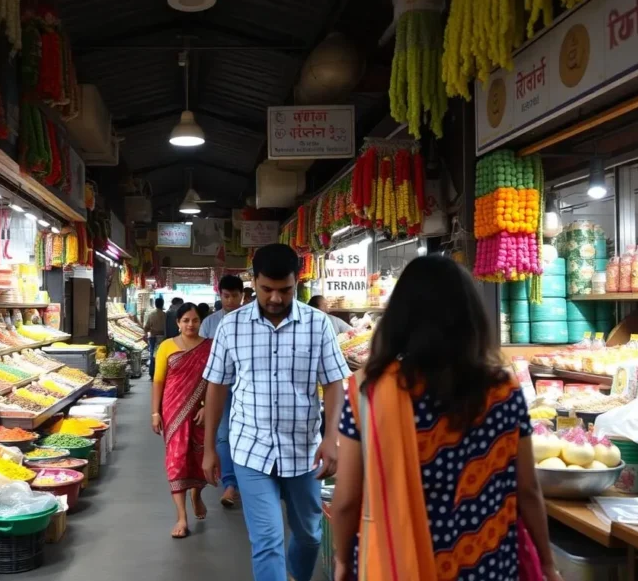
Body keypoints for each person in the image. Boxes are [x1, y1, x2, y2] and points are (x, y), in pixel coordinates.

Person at [329, 256, 562, 581]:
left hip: (397, 563)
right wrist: (547, 563)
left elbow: (347, 500)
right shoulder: (503, 390)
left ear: (400, 319)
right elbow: (527, 490)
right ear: (471, 318)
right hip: (487, 564)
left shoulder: (370, 394)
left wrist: (342, 559)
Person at [202, 244, 350, 581]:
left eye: (285, 290)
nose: (275, 298)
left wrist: (332, 439)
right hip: (250, 450)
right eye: (267, 289)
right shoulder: (231, 327)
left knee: (310, 535)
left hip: (303, 451)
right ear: (253, 282)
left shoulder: (318, 325)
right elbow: (216, 387)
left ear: (296, 282)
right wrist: (210, 447)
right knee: (267, 540)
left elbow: (334, 383)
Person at [151, 303, 212, 539]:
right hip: (172, 410)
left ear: (200, 322)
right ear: (177, 322)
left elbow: (214, 382)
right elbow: (158, 381)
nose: (190, 325)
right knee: (176, 459)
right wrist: (154, 412)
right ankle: (181, 516)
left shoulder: (209, 347)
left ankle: (197, 496)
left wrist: (207, 408)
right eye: (185, 320)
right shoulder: (166, 346)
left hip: (200, 412)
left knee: (197, 457)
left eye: (195, 320)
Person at [199, 274, 245, 508]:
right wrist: (204, 401)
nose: (230, 301)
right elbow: (205, 365)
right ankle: (230, 484)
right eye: (226, 296)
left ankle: (251, 482)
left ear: (242, 296)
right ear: (220, 296)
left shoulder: (251, 321)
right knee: (224, 434)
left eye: (234, 296)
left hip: (247, 389)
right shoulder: (209, 324)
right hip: (221, 390)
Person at [144, 297, 167, 378]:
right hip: (164, 338)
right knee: (163, 356)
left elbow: (146, 327)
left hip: (153, 338)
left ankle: (152, 373)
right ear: (162, 304)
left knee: (152, 355)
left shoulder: (151, 314)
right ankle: (161, 373)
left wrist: (147, 333)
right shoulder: (165, 315)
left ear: (155, 304)